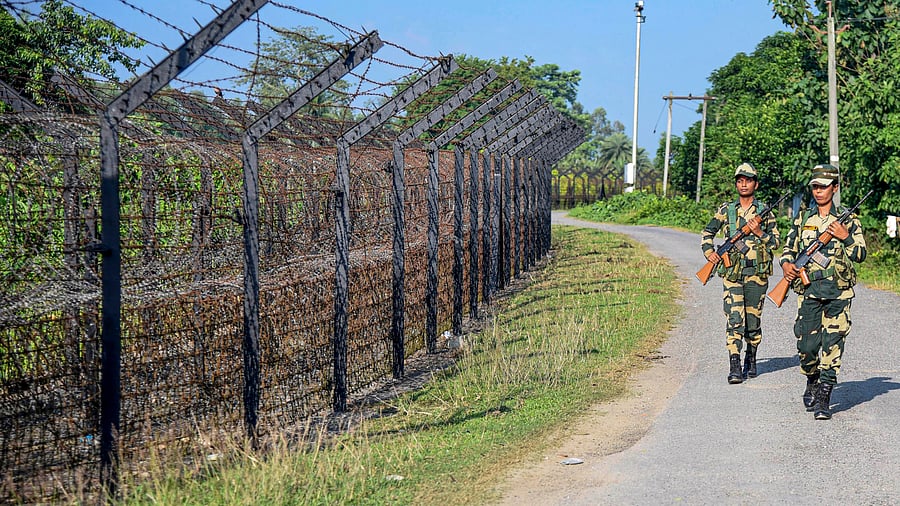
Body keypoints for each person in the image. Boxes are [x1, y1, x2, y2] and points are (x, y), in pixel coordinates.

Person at [779, 163, 867, 420]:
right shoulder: (803, 219)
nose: (819, 191)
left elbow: (860, 254)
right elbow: (788, 249)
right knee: (807, 346)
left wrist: (845, 236)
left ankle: (824, 397)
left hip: (838, 294)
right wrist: (786, 265)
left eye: (824, 187)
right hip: (808, 291)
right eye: (815, 187)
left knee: (832, 345)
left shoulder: (848, 220)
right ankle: (812, 379)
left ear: (834, 188)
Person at [701, 163, 781, 384]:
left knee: (753, 321)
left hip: (757, 274)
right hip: (732, 275)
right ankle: (734, 364)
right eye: (739, 180)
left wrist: (758, 231)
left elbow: (775, 242)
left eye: (748, 180)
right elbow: (708, 232)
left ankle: (751, 357)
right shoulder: (726, 210)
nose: (743, 184)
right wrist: (710, 252)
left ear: (756, 183)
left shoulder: (764, 211)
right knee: (734, 319)